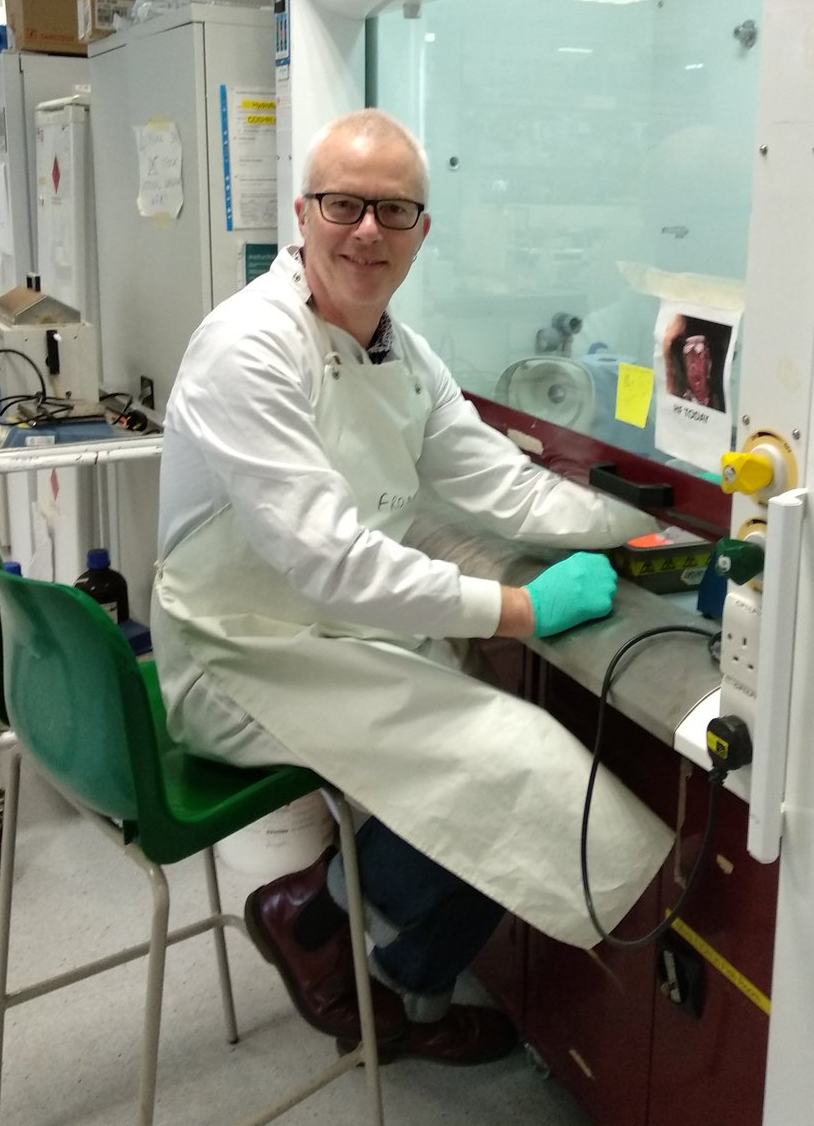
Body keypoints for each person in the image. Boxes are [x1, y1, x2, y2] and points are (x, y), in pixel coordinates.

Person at [151, 109, 673, 1066]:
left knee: (477, 714)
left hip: (329, 634)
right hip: (238, 653)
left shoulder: (403, 351)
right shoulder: (248, 347)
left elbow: (495, 482)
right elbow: (332, 561)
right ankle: (315, 914)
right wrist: (517, 608)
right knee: (512, 756)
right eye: (344, 205)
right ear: (301, 215)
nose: (367, 231)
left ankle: (396, 973)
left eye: (394, 211)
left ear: (422, 231)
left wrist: (645, 526)